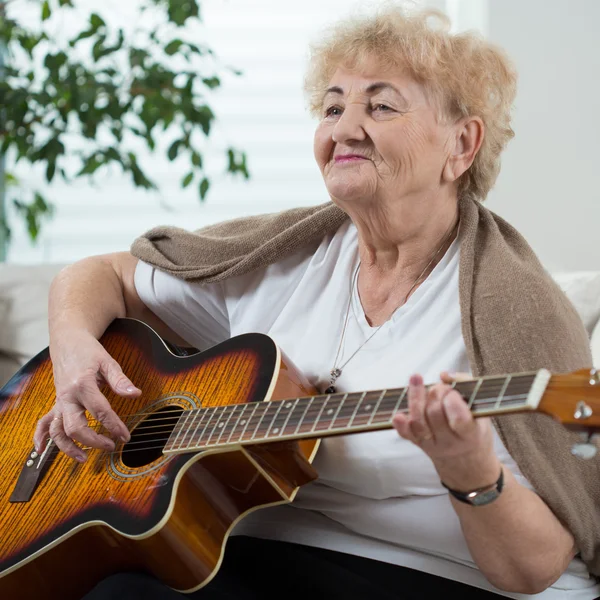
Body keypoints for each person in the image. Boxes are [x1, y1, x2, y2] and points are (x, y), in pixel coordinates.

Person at [32, 5, 600, 600]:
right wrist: (73, 352)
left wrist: (471, 473)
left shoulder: (515, 311)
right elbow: (100, 275)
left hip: (438, 573)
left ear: (462, 143)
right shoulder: (282, 256)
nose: (344, 129)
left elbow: (536, 567)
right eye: (332, 108)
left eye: (380, 106)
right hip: (262, 547)